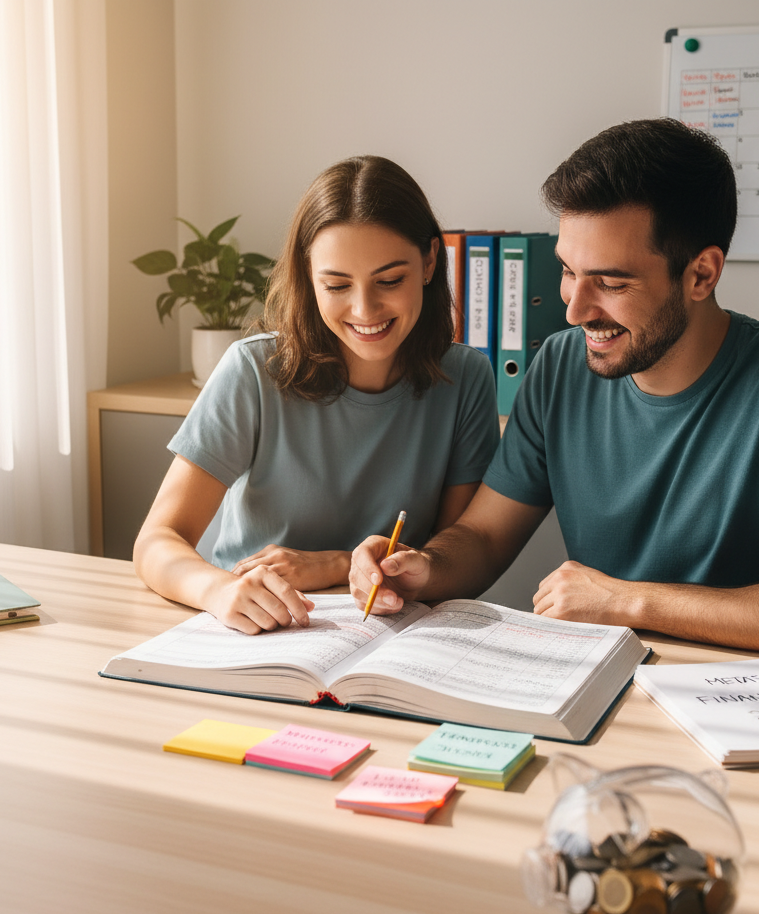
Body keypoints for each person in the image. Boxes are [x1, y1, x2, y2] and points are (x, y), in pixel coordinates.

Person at [350, 119, 759, 664]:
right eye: (568, 271)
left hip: (753, 702)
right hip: (605, 686)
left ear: (702, 275)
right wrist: (424, 566)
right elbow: (485, 537)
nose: (575, 309)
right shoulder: (560, 366)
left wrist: (630, 600)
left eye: (612, 283)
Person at [134, 155, 499, 635]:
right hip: (249, 630)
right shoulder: (253, 371)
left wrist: (332, 564)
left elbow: (452, 560)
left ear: (430, 261)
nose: (365, 309)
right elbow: (157, 540)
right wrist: (217, 590)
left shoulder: (466, 378)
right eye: (337, 284)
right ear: (308, 275)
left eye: (390, 281)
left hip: (389, 637)